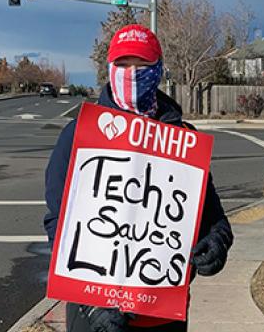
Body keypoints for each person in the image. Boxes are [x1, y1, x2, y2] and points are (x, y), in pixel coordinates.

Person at [44, 24, 233, 332]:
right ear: (109, 68)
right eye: (122, 64)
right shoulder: (79, 133)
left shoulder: (184, 139)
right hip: (95, 316)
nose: (131, 73)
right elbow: (58, 223)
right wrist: (91, 302)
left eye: (142, 65)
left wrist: (216, 244)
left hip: (163, 314)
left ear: (158, 69)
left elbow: (213, 217)